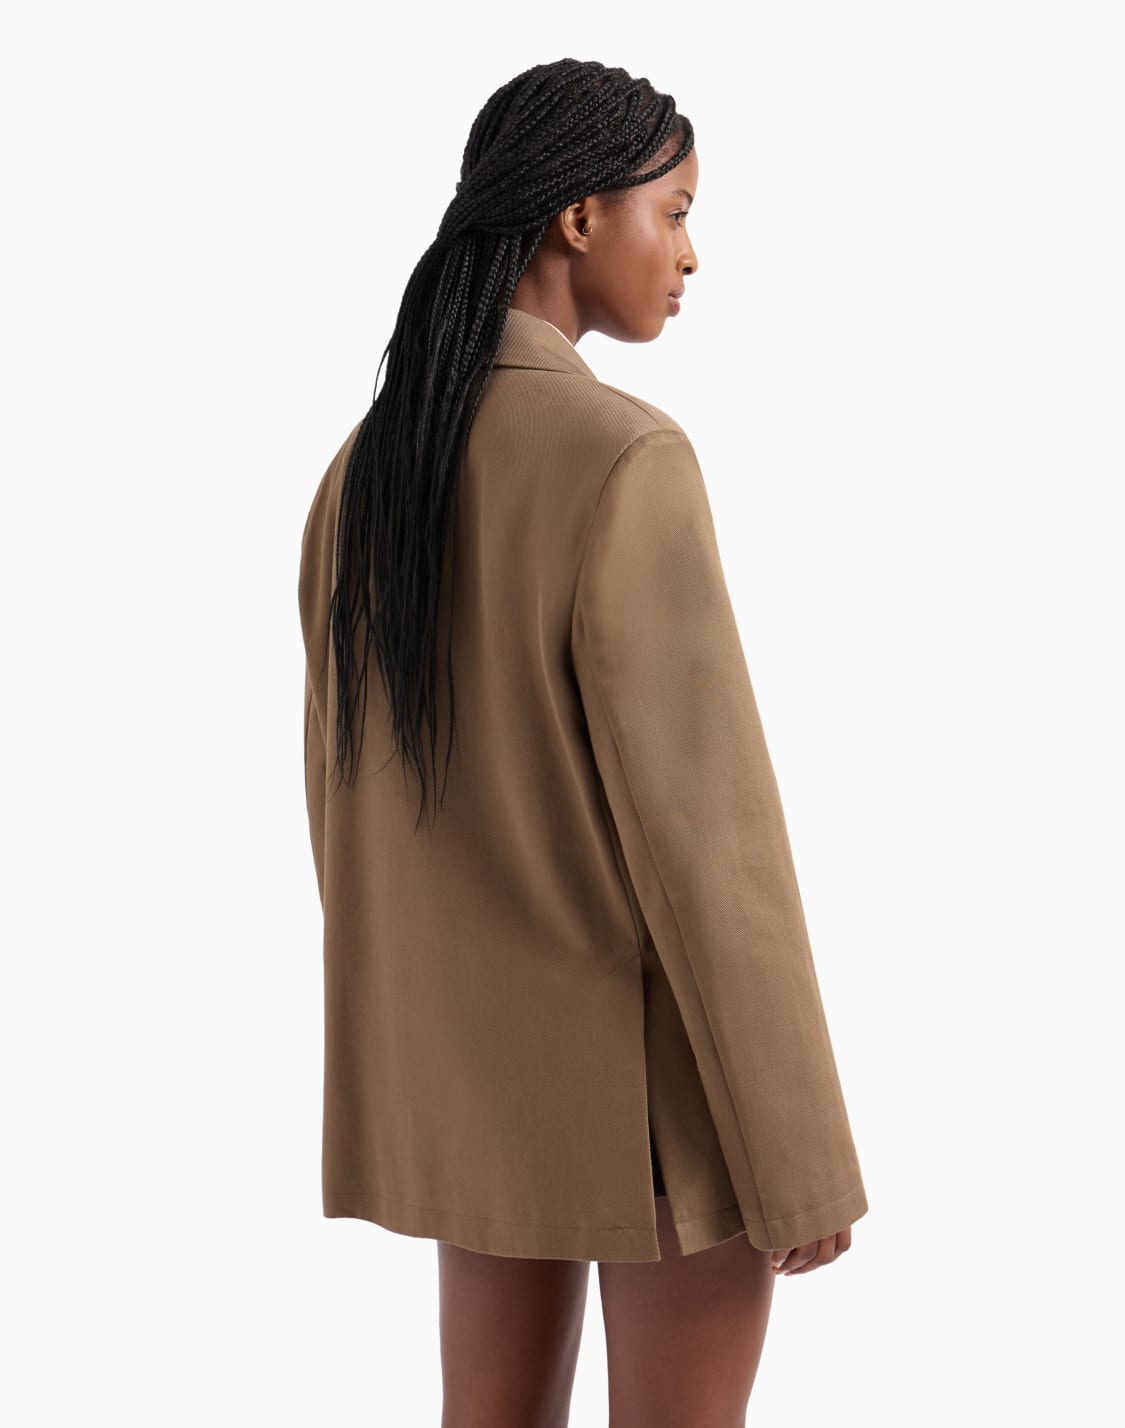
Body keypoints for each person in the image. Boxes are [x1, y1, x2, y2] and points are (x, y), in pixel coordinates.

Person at [299, 57, 869, 1427]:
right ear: (577, 218)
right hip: (653, 1093)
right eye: (673, 212)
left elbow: (345, 809)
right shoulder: (621, 456)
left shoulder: (369, 469)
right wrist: (797, 1153)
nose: (690, 254)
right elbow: (710, 847)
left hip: (476, 1090)